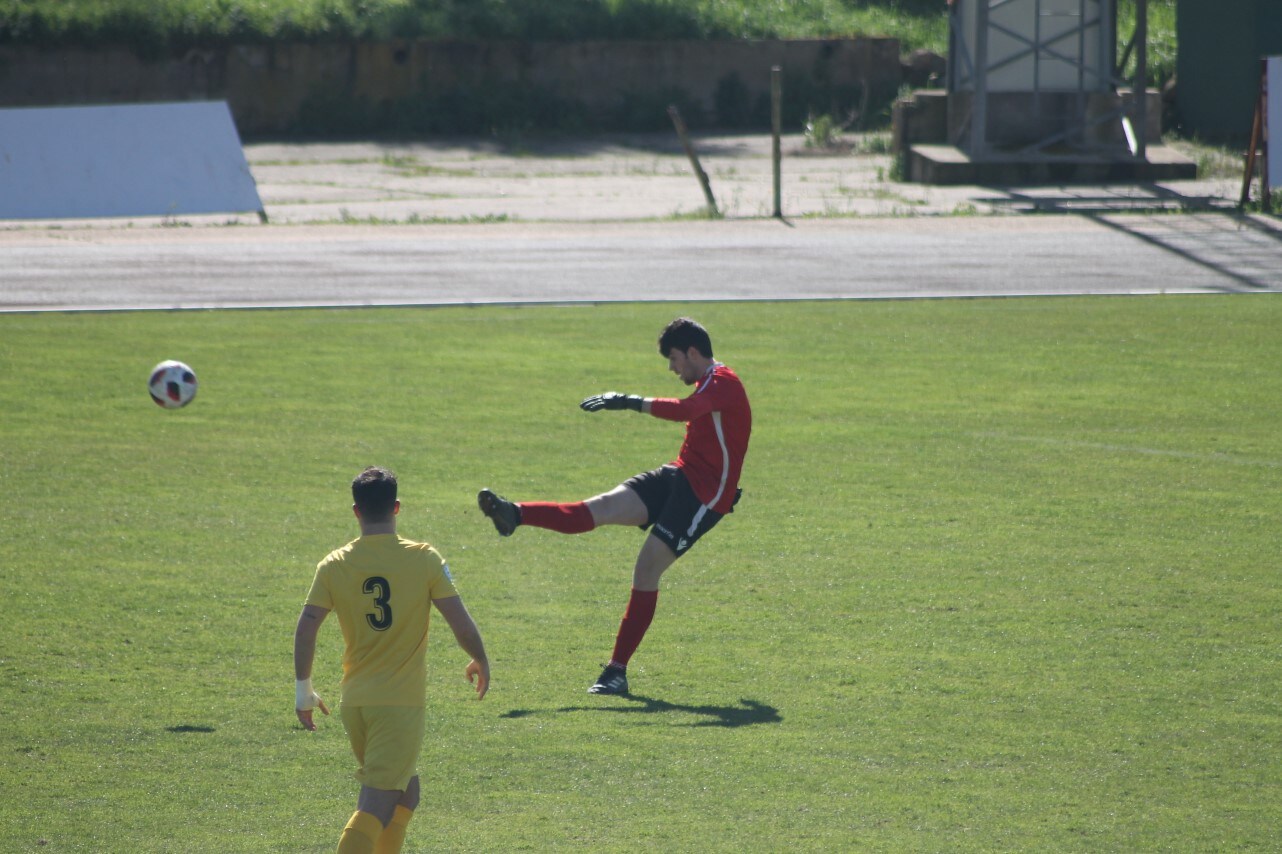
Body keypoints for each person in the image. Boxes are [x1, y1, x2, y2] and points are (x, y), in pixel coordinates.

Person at [478, 317, 751, 696]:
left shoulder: (724, 383)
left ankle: (616, 672)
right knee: (601, 507)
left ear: (692, 352)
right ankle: (516, 514)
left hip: (705, 498)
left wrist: (627, 401)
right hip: (678, 475)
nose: (672, 368)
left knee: (645, 571)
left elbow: (687, 411)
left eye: (674, 359)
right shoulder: (709, 381)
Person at [294, 466, 490, 854]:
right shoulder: (423, 559)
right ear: (397, 507)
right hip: (398, 705)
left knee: (406, 793)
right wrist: (480, 658)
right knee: (376, 804)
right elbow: (461, 623)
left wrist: (304, 690)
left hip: (356, 703)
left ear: (356, 511)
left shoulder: (334, 564)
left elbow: (306, 627)